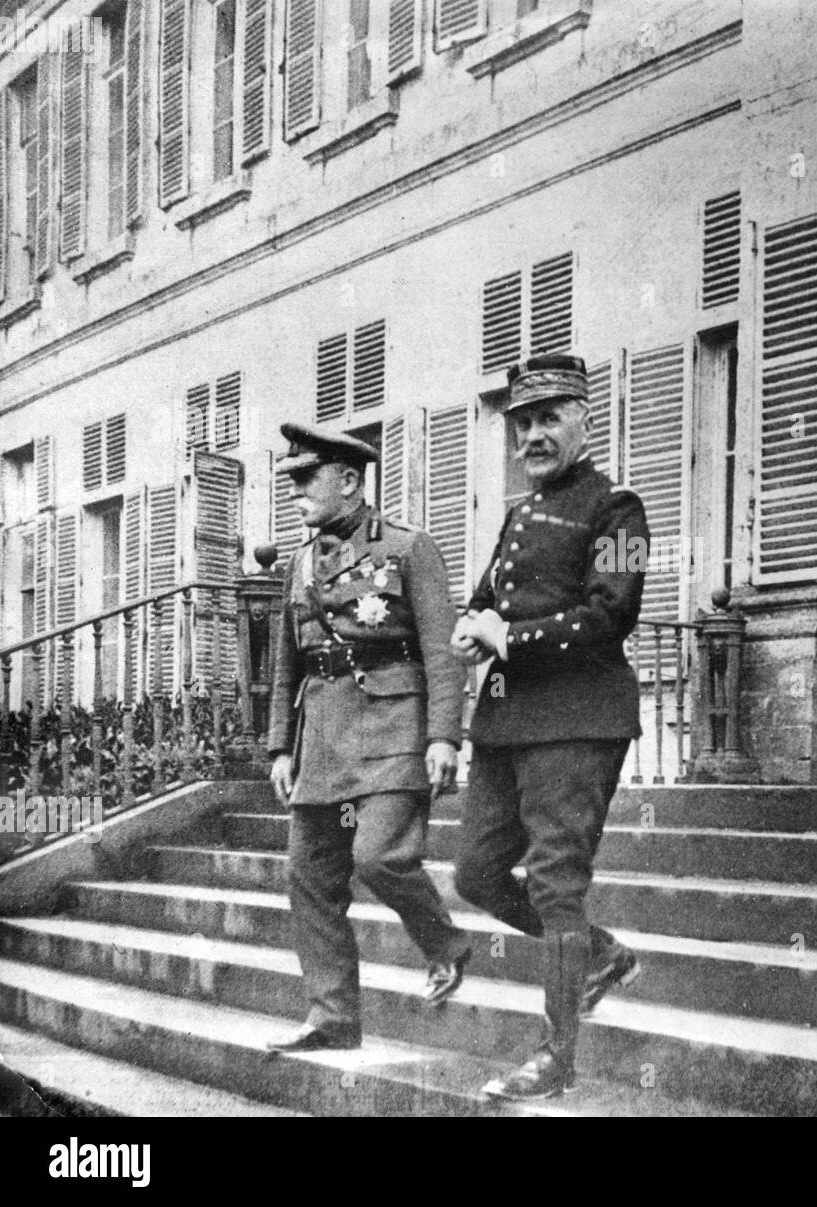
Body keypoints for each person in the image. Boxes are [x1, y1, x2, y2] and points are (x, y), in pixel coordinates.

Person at [451, 352, 647, 1100]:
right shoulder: (520, 512)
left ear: (585, 420)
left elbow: (611, 612)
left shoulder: (618, 507)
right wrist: (473, 628)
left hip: (579, 718)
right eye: (522, 422)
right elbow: (483, 601)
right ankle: (598, 955)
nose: (531, 435)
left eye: (548, 419)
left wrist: (512, 639)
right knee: (475, 873)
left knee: (556, 882)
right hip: (505, 722)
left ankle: (555, 1058)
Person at [265, 422, 470, 1052]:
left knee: (379, 856)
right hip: (322, 739)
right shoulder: (299, 561)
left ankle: (446, 944)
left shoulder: (410, 549)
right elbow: (285, 664)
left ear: (351, 481)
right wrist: (279, 747)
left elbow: (442, 651)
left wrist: (445, 737)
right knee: (308, 878)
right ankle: (333, 1018)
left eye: (308, 479)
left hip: (394, 730)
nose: (297, 493)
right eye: (294, 480)